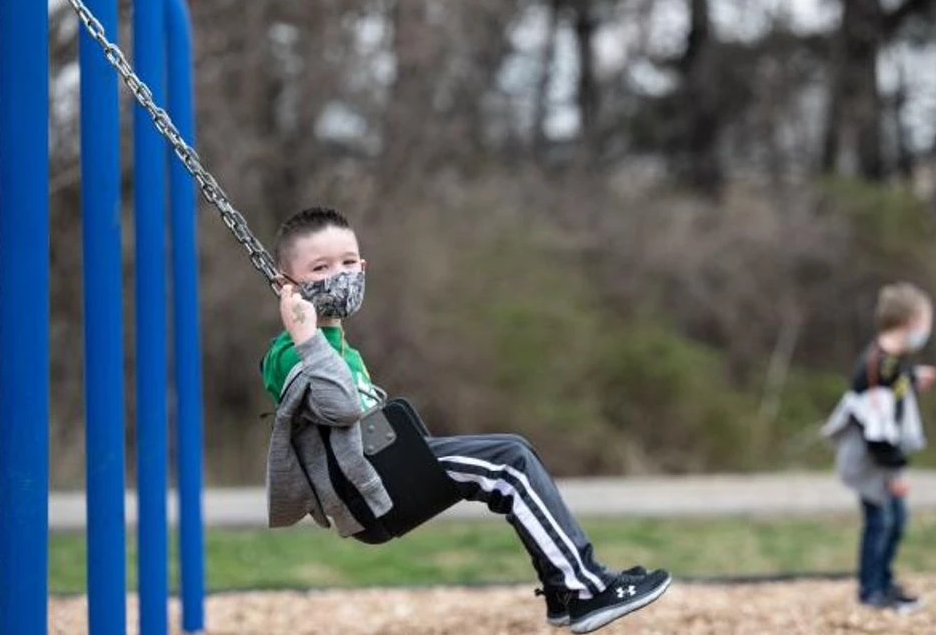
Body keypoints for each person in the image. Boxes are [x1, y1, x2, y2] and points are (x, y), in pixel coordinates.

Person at [258, 207, 671, 633]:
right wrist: (305, 336)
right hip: (368, 493)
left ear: (364, 267)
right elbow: (341, 407)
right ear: (286, 285)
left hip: (382, 473)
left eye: (348, 263)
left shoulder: (335, 343)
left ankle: (563, 589)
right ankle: (585, 590)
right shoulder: (289, 352)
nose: (339, 275)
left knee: (515, 450)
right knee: (507, 462)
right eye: (320, 268)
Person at [822, 282, 936, 612]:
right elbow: (877, 431)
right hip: (872, 461)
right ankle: (871, 591)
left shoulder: (892, 361)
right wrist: (894, 472)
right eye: (926, 321)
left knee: (895, 520)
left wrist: (913, 378)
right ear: (911, 321)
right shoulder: (876, 367)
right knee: (881, 522)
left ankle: (884, 581)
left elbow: (896, 384)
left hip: (881, 460)